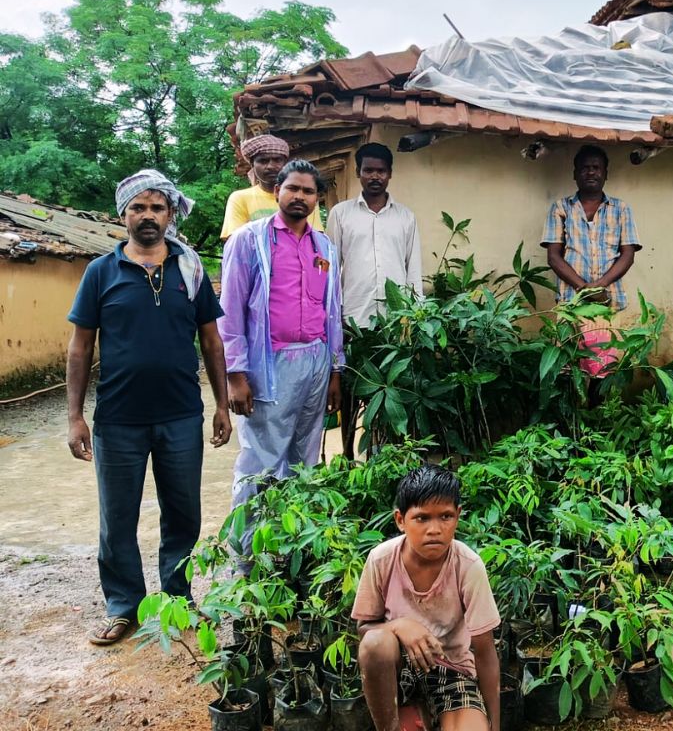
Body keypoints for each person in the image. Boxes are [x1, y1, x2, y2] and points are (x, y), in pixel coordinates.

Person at [66, 170, 230, 646]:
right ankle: (124, 606)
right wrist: (75, 415)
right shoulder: (100, 272)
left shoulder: (190, 270)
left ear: (171, 213)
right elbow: (80, 348)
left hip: (181, 415)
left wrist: (222, 405)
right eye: (138, 207)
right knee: (117, 517)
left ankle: (178, 600)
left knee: (183, 514)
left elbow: (211, 340)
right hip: (117, 420)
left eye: (157, 207)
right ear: (124, 214)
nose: (148, 216)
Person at [218, 159, 343, 517]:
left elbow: (332, 309)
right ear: (277, 192)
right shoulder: (249, 241)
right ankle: (249, 555)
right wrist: (236, 374)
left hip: (316, 362)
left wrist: (336, 370)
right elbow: (230, 310)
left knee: (304, 457)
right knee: (261, 461)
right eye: (293, 188)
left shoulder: (324, 248)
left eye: (308, 191)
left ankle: (292, 547)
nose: (299, 196)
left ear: (317, 199)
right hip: (269, 363)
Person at [354, 464, 501, 731]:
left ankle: (436, 713)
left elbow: (485, 650)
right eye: (422, 518)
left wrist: (494, 723)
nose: (434, 529)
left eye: (445, 516)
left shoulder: (468, 565)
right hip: (399, 671)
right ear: (400, 520)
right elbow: (364, 630)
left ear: (458, 516)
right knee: (376, 643)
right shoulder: (382, 560)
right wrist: (400, 626)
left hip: (452, 670)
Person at [327, 142, 422, 456]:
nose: (374, 176)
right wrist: (333, 317)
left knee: (389, 393)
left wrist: (414, 318)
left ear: (390, 174)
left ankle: (386, 456)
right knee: (352, 395)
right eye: (368, 170)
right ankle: (348, 458)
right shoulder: (341, 215)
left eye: (381, 170)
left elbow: (414, 270)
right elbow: (330, 270)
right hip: (353, 320)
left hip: (395, 325)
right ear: (358, 173)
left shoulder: (406, 217)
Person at [541, 145, 641, 377]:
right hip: (571, 305)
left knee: (602, 369)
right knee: (567, 370)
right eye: (585, 168)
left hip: (606, 306)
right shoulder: (561, 208)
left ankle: (596, 412)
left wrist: (601, 285)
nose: (591, 172)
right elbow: (553, 256)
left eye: (597, 168)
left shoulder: (621, 209)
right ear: (575, 174)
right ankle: (572, 413)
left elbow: (628, 254)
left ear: (606, 173)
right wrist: (583, 288)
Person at [220, 134, 323, 240]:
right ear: (252, 164)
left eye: (277, 160)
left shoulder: (303, 198)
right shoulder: (240, 198)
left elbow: (314, 239)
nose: (270, 166)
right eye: (263, 161)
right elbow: (235, 243)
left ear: (285, 164)